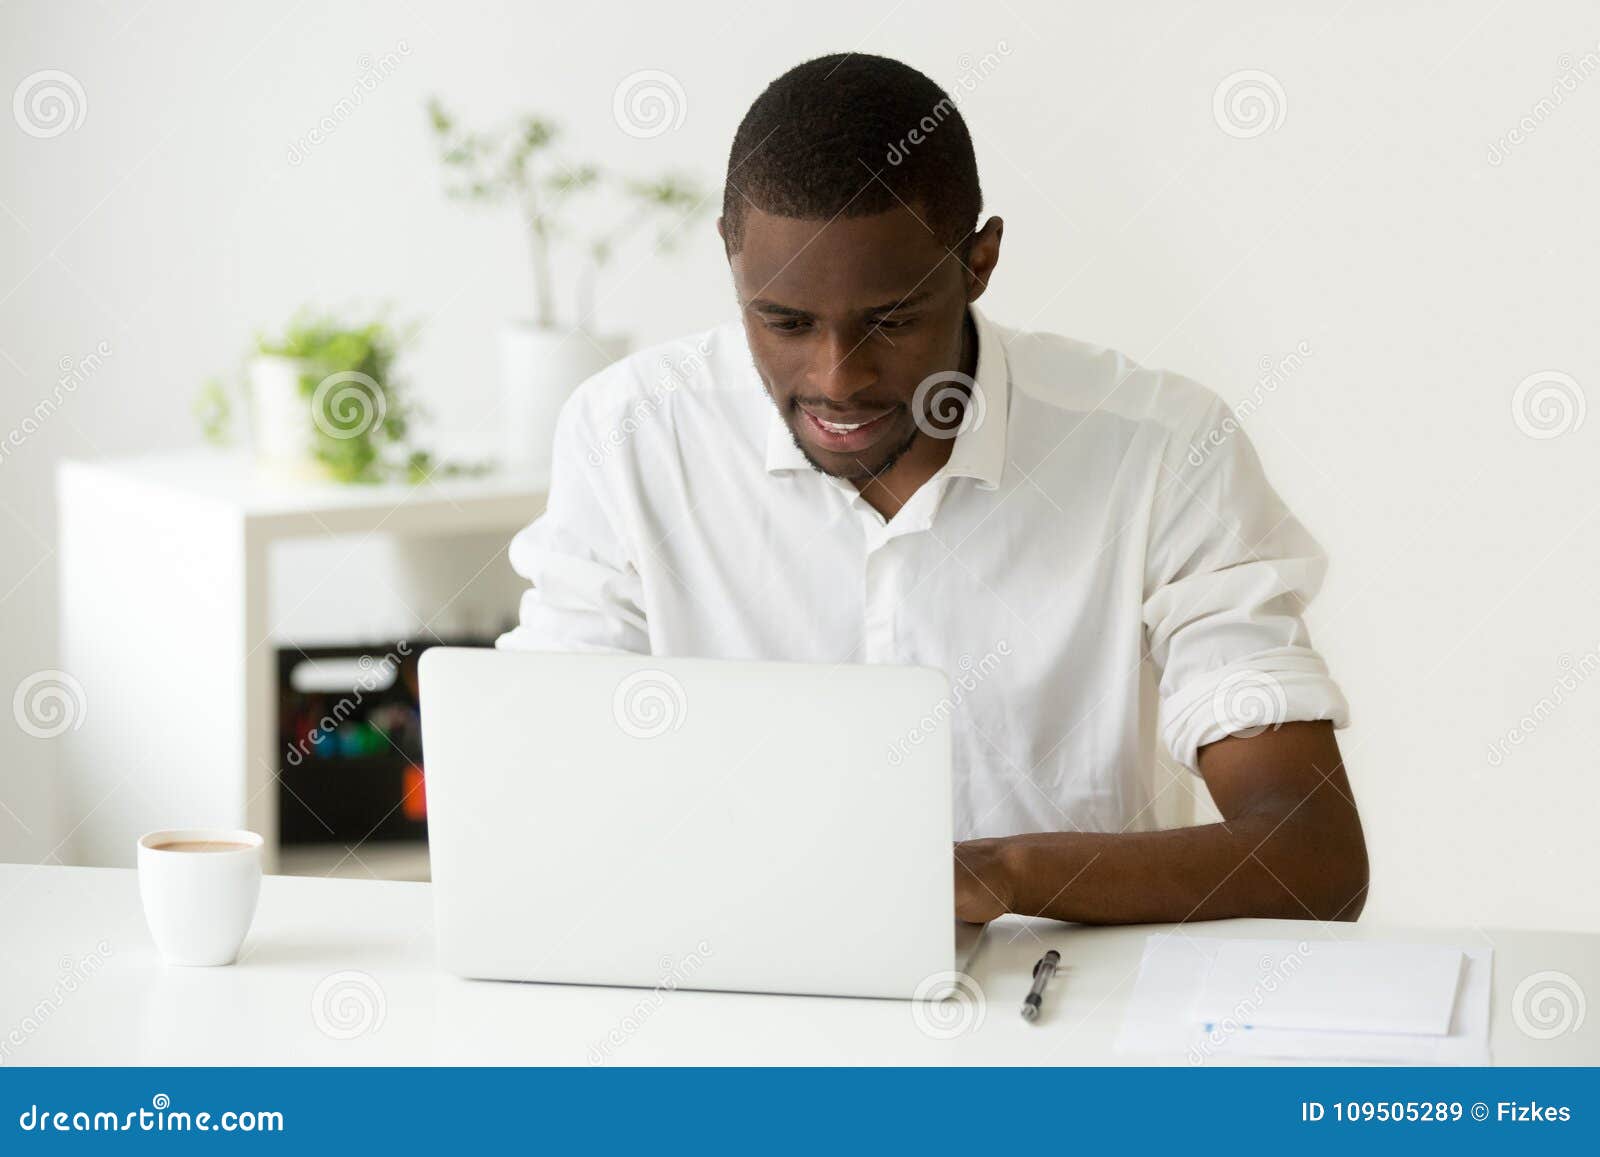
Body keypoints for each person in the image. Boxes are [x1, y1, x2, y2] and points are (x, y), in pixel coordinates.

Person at [498, 53, 1368, 926]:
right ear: (731, 256)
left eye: (893, 320)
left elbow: (1312, 856)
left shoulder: (1163, 448)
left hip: (1063, 1024)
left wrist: (1004, 874)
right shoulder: (629, 435)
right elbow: (545, 789)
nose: (837, 379)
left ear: (979, 262)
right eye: (786, 322)